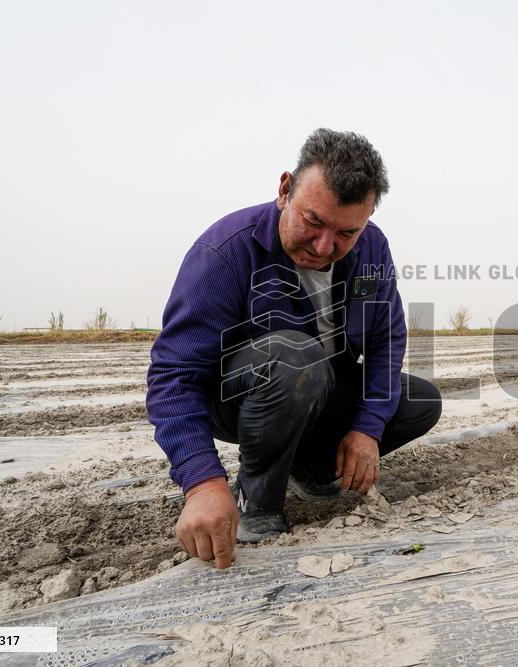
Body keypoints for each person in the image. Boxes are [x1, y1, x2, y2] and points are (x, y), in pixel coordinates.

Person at [146, 129, 442, 569]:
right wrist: (202, 482)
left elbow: (385, 341)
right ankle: (258, 503)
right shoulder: (225, 251)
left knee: (419, 401)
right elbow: (173, 375)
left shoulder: (373, 248)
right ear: (285, 189)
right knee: (295, 358)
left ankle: (312, 467)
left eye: (346, 232)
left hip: (316, 387)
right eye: (313, 221)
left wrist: (368, 429)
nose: (325, 247)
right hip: (242, 395)